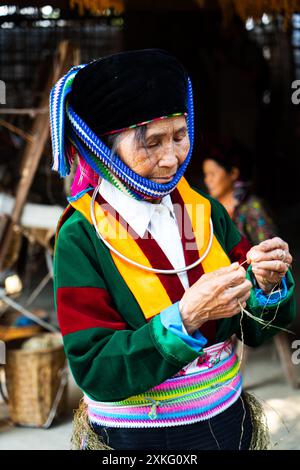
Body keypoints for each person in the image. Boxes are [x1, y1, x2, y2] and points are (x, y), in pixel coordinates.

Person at [50, 49, 295, 450]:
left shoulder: (201, 210)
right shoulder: (82, 236)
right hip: (139, 443)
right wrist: (186, 315)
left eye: (180, 136)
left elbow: (255, 330)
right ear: (104, 147)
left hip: (227, 427)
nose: (171, 158)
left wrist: (266, 283)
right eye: (152, 143)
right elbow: (94, 367)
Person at [202, 137, 277, 245]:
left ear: (233, 174)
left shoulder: (252, 208)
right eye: (206, 174)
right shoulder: (207, 206)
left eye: (212, 174)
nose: (207, 180)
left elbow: (269, 251)